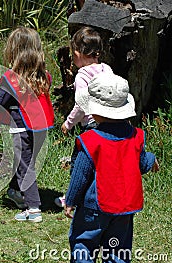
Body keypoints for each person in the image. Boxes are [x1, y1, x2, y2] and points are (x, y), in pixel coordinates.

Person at [64, 72, 159, 263]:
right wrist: (152, 159)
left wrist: (70, 200)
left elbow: (80, 175)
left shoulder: (90, 141)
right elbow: (141, 163)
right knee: (118, 250)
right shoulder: (136, 136)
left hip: (94, 207)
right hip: (125, 208)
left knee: (84, 243)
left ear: (97, 112)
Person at [0, 27, 54, 222]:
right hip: (41, 129)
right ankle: (15, 191)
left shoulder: (11, 79)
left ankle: (33, 208)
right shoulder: (44, 76)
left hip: (21, 128)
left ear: (14, 52)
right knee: (26, 162)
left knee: (25, 166)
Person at [55, 26, 114, 208]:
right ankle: (100, 195)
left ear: (78, 53)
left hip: (91, 125)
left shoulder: (82, 75)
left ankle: (73, 197)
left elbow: (82, 104)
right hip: (110, 122)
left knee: (79, 162)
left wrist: (68, 123)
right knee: (103, 164)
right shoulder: (107, 69)